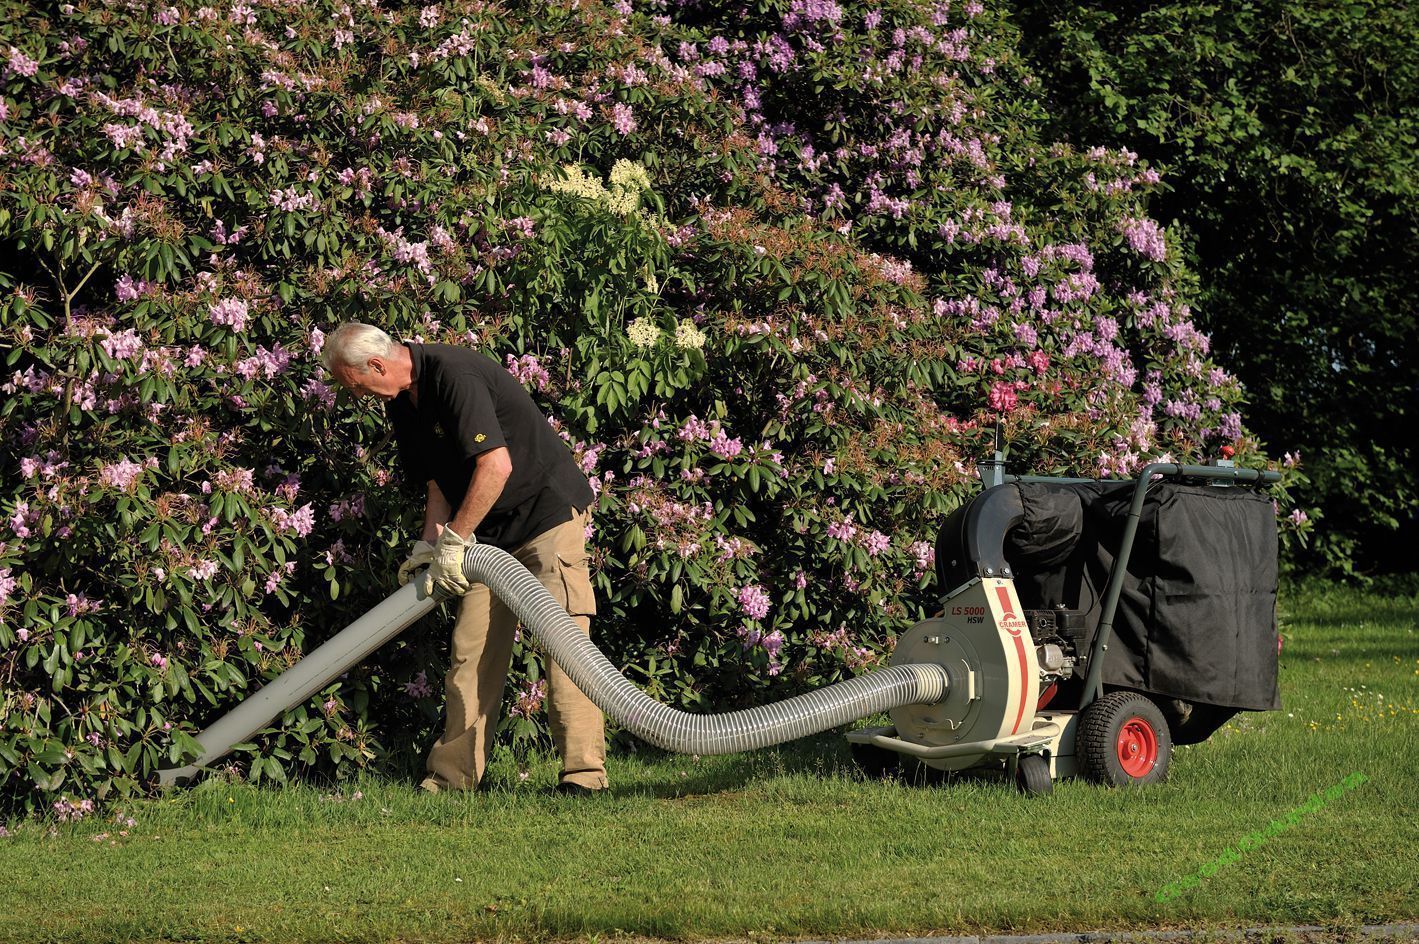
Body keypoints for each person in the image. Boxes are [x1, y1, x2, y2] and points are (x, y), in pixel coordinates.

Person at [320, 322, 608, 796]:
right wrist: (429, 547)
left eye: (356, 385)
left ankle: (583, 776)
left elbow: (496, 466)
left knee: (566, 648)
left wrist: (455, 542)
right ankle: (452, 780)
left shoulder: (454, 375)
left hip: (544, 517)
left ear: (376, 365)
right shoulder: (403, 403)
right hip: (485, 535)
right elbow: (438, 484)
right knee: (470, 654)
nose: (360, 396)